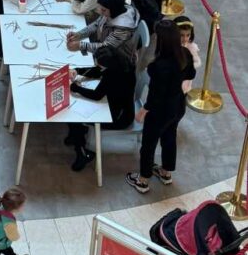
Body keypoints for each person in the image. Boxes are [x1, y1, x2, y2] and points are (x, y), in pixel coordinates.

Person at [126, 20, 195, 193]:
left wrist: (144, 110)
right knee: (169, 137)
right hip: (178, 106)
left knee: (149, 144)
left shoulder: (157, 66)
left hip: (160, 111)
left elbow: (156, 95)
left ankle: (142, 180)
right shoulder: (185, 54)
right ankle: (165, 172)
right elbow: (191, 73)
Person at [66, 47, 135, 171]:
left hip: (118, 117)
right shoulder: (122, 63)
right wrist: (78, 70)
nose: (97, 64)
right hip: (115, 105)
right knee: (75, 116)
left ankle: (82, 152)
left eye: (100, 62)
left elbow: (97, 95)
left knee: (74, 117)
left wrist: (76, 88)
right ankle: (75, 136)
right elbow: (98, 71)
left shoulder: (115, 75)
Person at [66, 0, 140, 66]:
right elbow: (96, 24)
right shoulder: (112, 11)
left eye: (103, 10)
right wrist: (80, 34)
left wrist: (80, 46)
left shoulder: (123, 29)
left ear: (113, 9)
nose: (100, 11)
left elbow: (105, 48)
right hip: (104, 45)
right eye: (100, 8)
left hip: (119, 61)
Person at [173, 16, 201, 93]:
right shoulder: (171, 45)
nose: (185, 39)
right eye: (181, 35)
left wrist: (188, 66)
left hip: (184, 83)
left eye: (188, 35)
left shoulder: (191, 47)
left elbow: (198, 62)